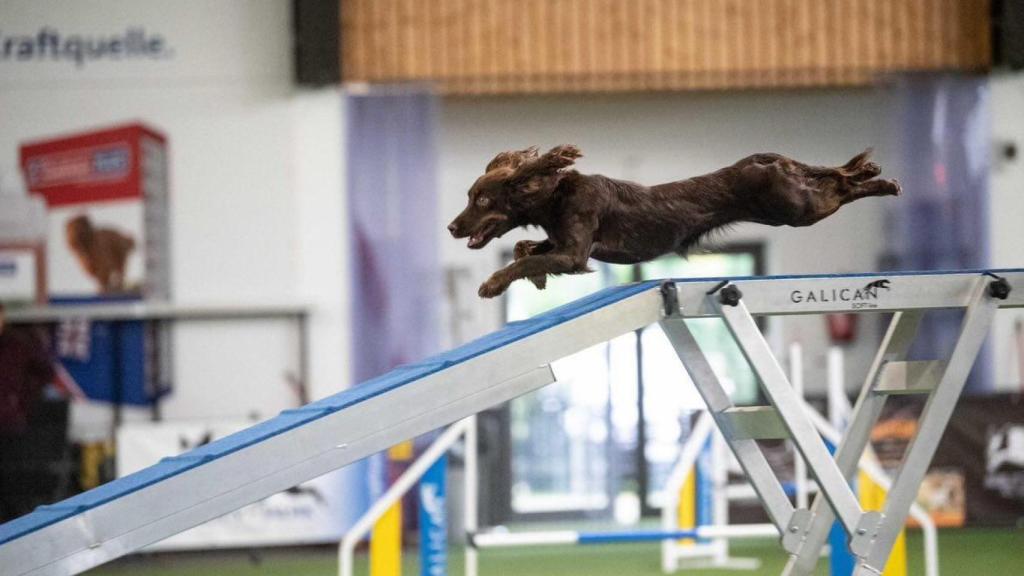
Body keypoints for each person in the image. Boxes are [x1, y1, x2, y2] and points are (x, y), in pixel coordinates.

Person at [0, 302, 57, 521]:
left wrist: (22, 399)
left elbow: (45, 372)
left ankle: (17, 532)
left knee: (13, 485)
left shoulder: (18, 345)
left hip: (11, 425)